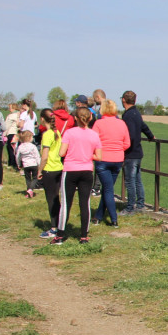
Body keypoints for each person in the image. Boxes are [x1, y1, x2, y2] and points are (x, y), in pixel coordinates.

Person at [54, 107, 102, 245]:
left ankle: (60, 235)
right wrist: (87, 155)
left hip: (70, 170)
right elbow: (99, 156)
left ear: (75, 118)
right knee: (84, 203)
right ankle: (84, 236)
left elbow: (62, 153)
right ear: (90, 118)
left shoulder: (69, 133)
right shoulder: (94, 135)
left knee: (66, 203)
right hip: (87, 171)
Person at [92, 99, 130, 227]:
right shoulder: (122, 123)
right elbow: (127, 143)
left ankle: (114, 219)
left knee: (108, 189)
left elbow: (92, 141)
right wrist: (118, 150)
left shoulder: (98, 124)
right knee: (107, 188)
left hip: (102, 159)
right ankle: (98, 216)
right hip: (118, 160)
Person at [121, 90, 156, 214]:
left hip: (131, 153)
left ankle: (130, 208)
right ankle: (140, 205)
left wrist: (124, 147)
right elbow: (143, 126)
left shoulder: (128, 115)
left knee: (130, 181)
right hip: (138, 152)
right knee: (137, 180)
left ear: (123, 100)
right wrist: (151, 136)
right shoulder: (136, 113)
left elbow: (129, 135)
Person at [36, 108, 64, 239]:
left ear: (42, 119)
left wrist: (40, 170)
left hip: (50, 169)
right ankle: (59, 224)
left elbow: (45, 156)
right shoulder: (56, 132)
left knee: (51, 200)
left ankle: (53, 228)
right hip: (59, 167)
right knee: (56, 198)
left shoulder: (47, 134)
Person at [14, 130, 41, 198]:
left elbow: (18, 156)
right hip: (34, 164)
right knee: (35, 178)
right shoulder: (33, 146)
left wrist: (18, 164)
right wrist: (39, 164)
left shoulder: (20, 147)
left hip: (26, 165)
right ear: (29, 138)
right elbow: (37, 156)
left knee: (28, 179)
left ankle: (29, 191)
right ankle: (30, 189)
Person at [4, 103, 20, 171]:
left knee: (10, 149)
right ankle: (17, 163)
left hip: (11, 133)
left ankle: (12, 163)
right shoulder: (19, 115)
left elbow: (7, 126)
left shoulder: (11, 116)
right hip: (17, 134)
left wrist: (4, 134)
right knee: (16, 149)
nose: (9, 109)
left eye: (10, 108)